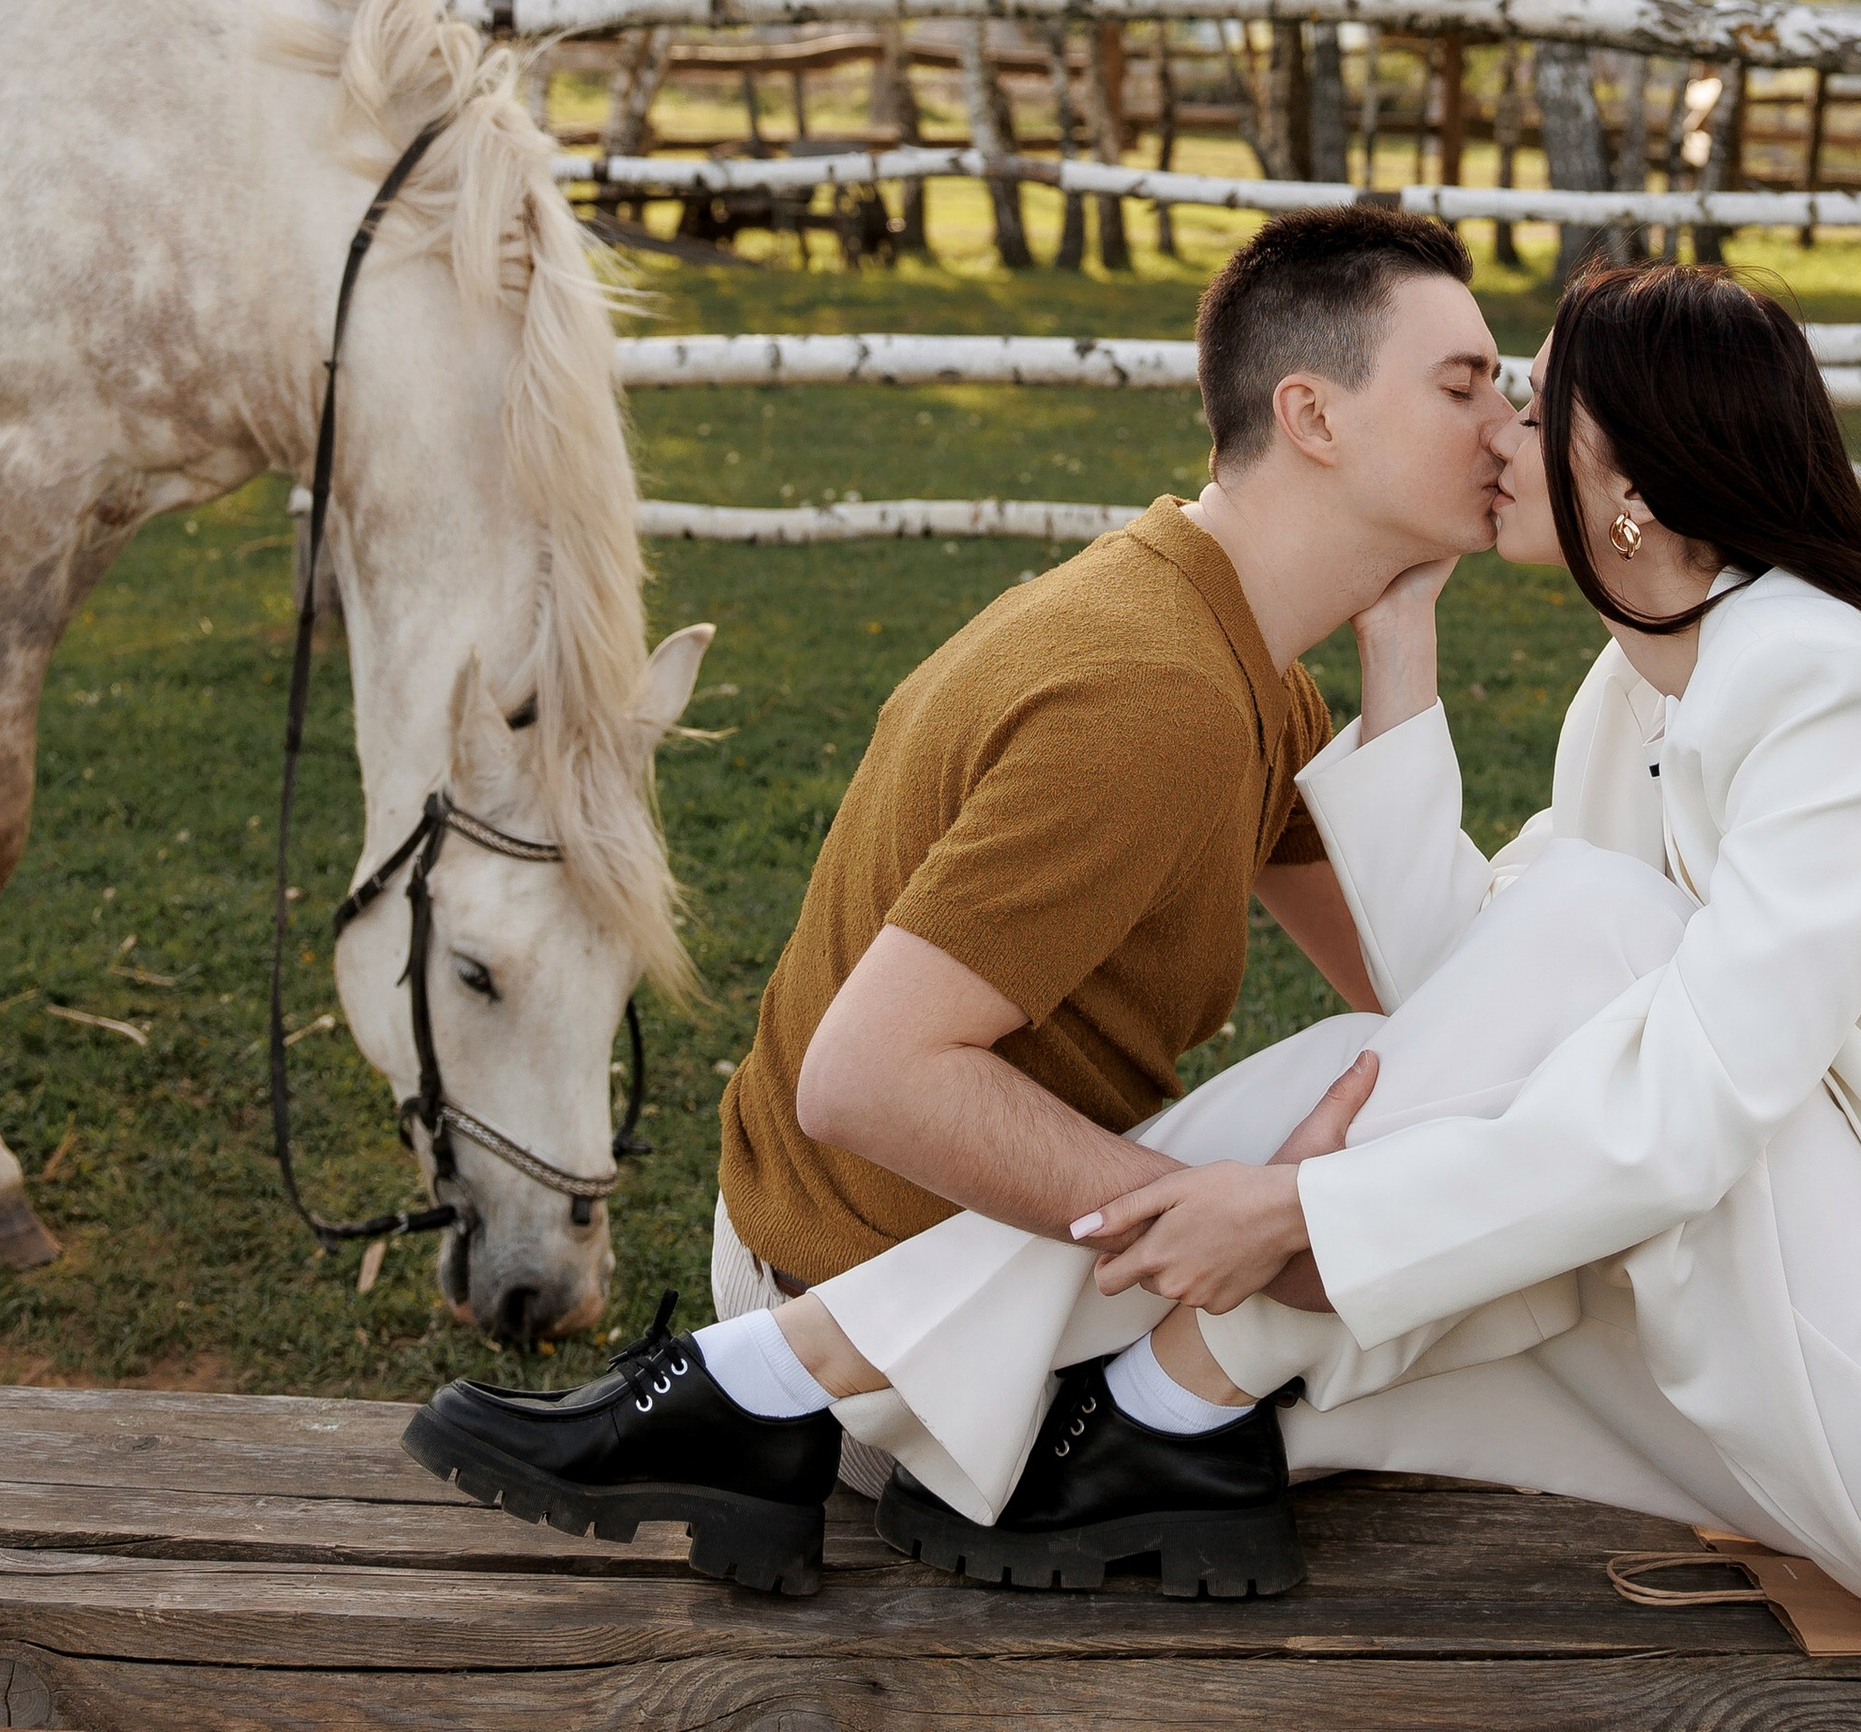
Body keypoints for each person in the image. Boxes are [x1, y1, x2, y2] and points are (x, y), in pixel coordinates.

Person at [537, 262, 1861, 1646]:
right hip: (1803, 1334)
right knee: (1536, 983)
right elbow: (1467, 998)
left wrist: (1300, 1223)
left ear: (1630, 488)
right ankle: (1102, 1403)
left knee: (1592, 949)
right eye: (1482, 392)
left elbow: (1680, 1116)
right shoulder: (1651, 688)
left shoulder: (1826, 696)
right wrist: (1400, 654)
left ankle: (833, 1373)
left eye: (1530, 403)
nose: (1499, 437)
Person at [404, 203, 1512, 1597]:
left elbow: (1427, 987)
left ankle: (870, 1393)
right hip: (878, 1318)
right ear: (1313, 415)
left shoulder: (1231, 653)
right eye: (1465, 386)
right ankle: (790, 1400)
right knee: (1426, 1162)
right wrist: (1233, 1226)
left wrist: (1402, 636)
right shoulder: (1151, 690)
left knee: (1425, 1106)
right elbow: (866, 1082)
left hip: (897, 1266)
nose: (1507, 427)